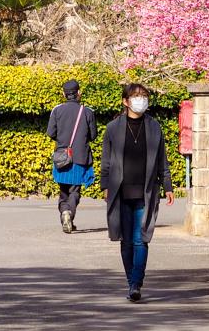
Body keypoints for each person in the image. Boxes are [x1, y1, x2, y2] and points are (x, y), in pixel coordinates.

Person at [100, 82, 173, 302]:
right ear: (125, 101)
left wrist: (167, 185)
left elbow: (162, 159)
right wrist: (105, 186)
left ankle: (136, 283)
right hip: (120, 192)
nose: (140, 100)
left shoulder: (154, 127)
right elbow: (106, 161)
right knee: (126, 241)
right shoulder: (113, 128)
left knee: (141, 239)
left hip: (146, 191)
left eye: (143, 96)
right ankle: (131, 279)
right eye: (135, 96)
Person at [45, 79, 95, 233]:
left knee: (63, 190)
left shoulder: (57, 110)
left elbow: (50, 133)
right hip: (80, 157)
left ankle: (65, 213)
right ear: (79, 93)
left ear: (63, 94)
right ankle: (69, 213)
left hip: (62, 156)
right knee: (75, 190)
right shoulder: (87, 111)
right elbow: (93, 135)